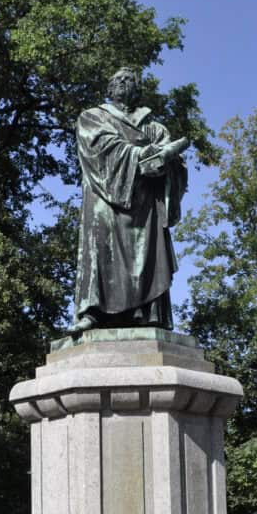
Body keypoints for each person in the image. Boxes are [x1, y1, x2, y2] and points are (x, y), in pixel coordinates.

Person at [72, 67, 189, 333]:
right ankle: (95, 312)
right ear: (109, 89)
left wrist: (166, 167)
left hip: (145, 204)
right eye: (118, 79)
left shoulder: (154, 127)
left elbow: (175, 165)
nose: (124, 82)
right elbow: (99, 148)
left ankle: (147, 313)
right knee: (101, 246)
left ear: (138, 90)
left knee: (147, 253)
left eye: (130, 80)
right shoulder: (92, 117)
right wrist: (139, 156)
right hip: (105, 199)